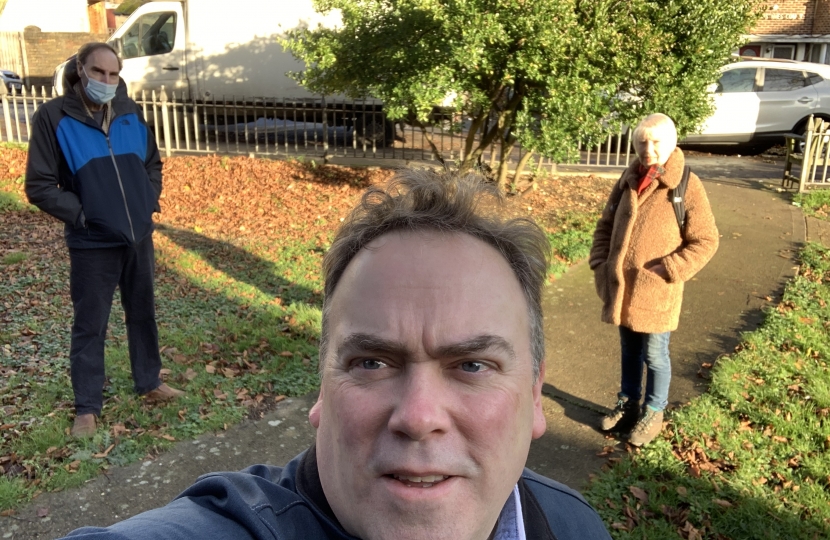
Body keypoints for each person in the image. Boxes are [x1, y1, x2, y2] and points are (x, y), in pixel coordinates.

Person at [60, 169, 612, 540]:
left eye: (472, 365)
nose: (419, 418)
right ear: (323, 389)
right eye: (371, 362)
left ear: (535, 393)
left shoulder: (573, 525)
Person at [24, 42, 184, 439]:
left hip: (137, 236)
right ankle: (87, 407)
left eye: (113, 74)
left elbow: (152, 163)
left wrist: (147, 202)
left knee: (143, 312)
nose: (106, 81)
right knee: (90, 324)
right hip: (92, 242)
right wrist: (85, 216)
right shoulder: (54, 117)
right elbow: (40, 185)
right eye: (98, 72)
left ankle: (149, 381)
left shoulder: (130, 111)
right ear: (80, 69)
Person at [590, 113, 719, 447]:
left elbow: (706, 240)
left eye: (656, 142)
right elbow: (605, 225)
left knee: (655, 355)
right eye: (642, 142)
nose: (648, 149)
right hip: (622, 287)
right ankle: (628, 403)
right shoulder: (628, 178)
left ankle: (654, 411)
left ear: (672, 143)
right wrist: (600, 261)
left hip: (657, 291)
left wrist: (671, 269)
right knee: (629, 351)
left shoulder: (686, 185)